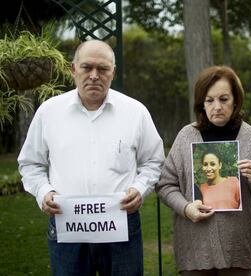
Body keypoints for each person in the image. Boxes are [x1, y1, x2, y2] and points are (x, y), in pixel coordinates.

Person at [17, 40, 165, 275]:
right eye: (87, 67)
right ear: (73, 69)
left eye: (103, 69)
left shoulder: (135, 112)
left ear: (113, 73)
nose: (94, 75)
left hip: (121, 225)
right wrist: (44, 192)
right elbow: (30, 164)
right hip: (67, 227)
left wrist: (140, 188)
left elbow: (153, 161)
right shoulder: (49, 112)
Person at [156, 65, 251, 275]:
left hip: (238, 248)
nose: (217, 106)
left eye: (224, 99)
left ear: (235, 101)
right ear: (201, 104)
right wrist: (186, 207)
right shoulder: (186, 137)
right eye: (210, 100)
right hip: (194, 247)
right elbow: (165, 185)